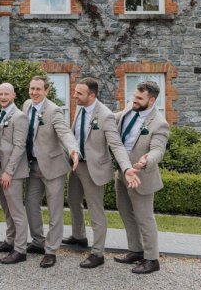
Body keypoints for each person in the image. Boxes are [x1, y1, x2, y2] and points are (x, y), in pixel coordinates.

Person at [63, 78, 140, 268]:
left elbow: (116, 145)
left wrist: (127, 168)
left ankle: (98, 254)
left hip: (94, 169)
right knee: (73, 201)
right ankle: (79, 236)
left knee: (96, 212)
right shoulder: (80, 107)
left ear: (92, 95)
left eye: (79, 93)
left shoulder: (104, 115)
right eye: (75, 92)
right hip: (77, 165)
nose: (74, 96)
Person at [23, 76, 79, 268]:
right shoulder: (26, 105)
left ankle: (51, 250)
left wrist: (73, 150)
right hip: (33, 166)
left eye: (38, 89)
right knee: (31, 203)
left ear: (46, 91)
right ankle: (38, 242)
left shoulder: (53, 111)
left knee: (54, 210)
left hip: (54, 168)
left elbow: (64, 132)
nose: (34, 92)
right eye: (32, 88)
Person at [114, 81, 170, 274]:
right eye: (133, 96)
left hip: (141, 176)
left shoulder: (159, 123)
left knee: (145, 218)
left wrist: (145, 161)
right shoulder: (131, 108)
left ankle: (152, 259)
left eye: (139, 98)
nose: (134, 101)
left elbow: (158, 150)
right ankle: (136, 251)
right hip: (122, 172)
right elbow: (116, 119)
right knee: (125, 212)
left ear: (152, 100)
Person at [0, 83, 29, 264]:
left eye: (6, 94)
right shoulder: (0, 114)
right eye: (0, 93)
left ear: (13, 95)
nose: (3, 97)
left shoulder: (19, 116)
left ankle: (20, 250)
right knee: (7, 210)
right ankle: (10, 240)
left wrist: (8, 172)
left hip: (11, 172)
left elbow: (20, 146)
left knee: (17, 212)